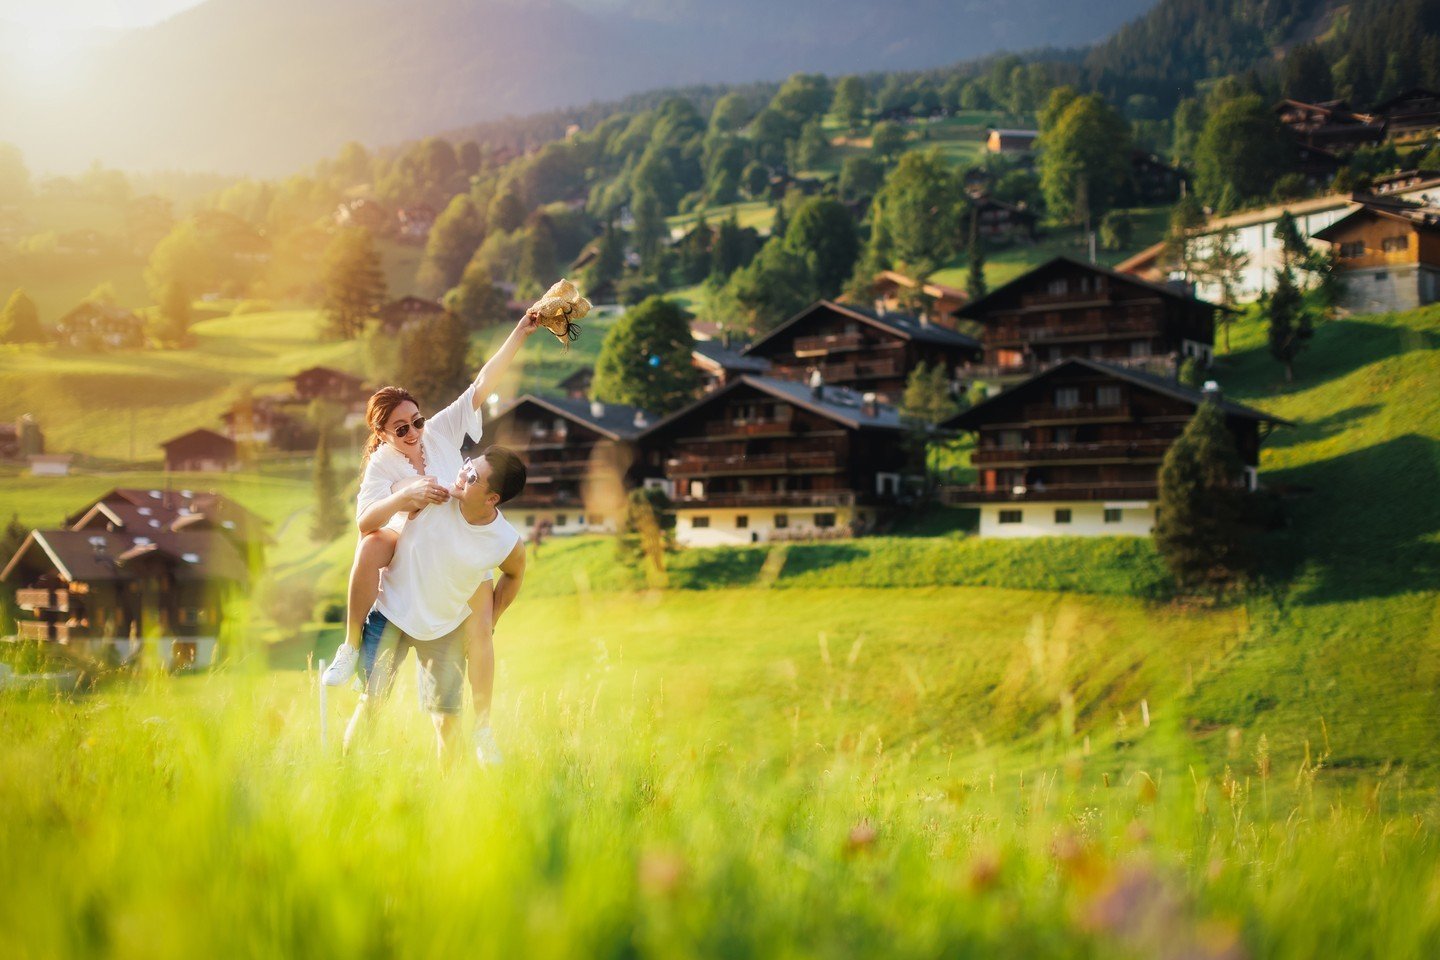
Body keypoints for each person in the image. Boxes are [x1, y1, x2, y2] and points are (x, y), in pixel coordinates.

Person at [321, 311, 538, 708]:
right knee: (370, 545)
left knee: (478, 613)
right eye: (401, 429)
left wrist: (519, 334)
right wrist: (402, 498)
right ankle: (350, 647)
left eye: (416, 422)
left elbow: (482, 386)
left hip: (458, 548)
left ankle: (480, 727)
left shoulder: (439, 432)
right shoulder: (383, 462)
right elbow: (365, 522)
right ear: (383, 434)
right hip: (413, 550)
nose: (414, 433)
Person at [343, 446, 528, 764]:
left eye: (472, 477)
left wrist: (491, 618)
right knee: (371, 701)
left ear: (491, 498)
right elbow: (374, 516)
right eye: (468, 464)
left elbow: (513, 575)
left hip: (444, 630)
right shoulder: (434, 494)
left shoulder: (505, 541)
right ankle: (344, 773)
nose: (462, 473)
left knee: (447, 722)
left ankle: (447, 796)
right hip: (392, 614)